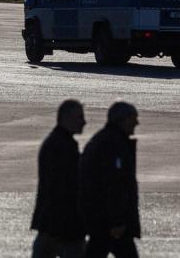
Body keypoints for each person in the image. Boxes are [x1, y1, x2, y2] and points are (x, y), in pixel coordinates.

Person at [79, 102, 141, 258]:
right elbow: (113, 185)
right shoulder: (113, 145)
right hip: (112, 224)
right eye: (132, 118)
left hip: (102, 221)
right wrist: (116, 221)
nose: (136, 123)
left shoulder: (106, 140)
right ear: (122, 120)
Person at [31, 99, 86, 258]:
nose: (84, 122)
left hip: (51, 224)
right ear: (66, 118)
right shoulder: (63, 147)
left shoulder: (57, 143)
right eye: (79, 117)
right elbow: (64, 188)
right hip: (63, 227)